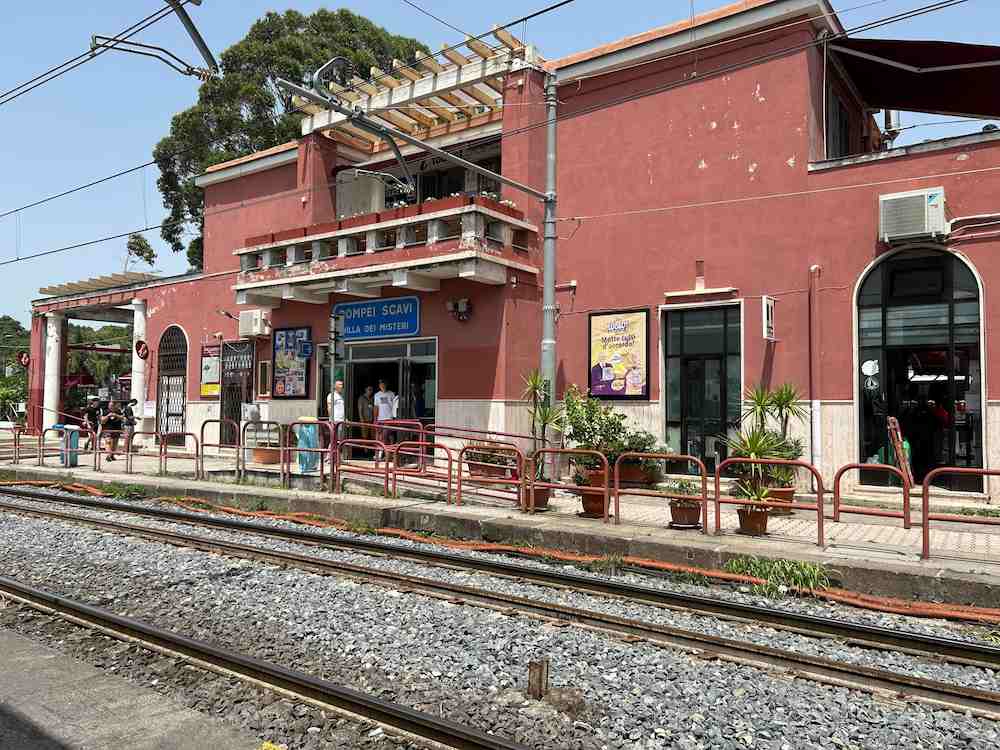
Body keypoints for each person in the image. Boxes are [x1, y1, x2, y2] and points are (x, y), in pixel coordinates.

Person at [373, 379, 397, 450]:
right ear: (379, 386)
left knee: (388, 435)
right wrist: (375, 419)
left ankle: (389, 451)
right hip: (380, 419)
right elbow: (376, 407)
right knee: (381, 435)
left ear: (386, 385)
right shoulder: (377, 395)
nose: (382, 386)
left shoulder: (391, 394)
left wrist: (394, 417)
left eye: (384, 384)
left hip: (389, 418)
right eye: (381, 384)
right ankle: (383, 451)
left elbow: (395, 406)